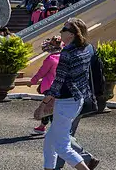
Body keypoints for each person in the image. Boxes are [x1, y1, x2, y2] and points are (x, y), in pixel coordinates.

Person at [40, 18, 96, 170]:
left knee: (62, 147)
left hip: (66, 101)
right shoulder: (88, 48)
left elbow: (59, 80)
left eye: (64, 30)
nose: (61, 32)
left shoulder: (67, 52)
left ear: (71, 35)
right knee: (50, 141)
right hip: (77, 99)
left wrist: (44, 103)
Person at [29, 36, 63, 135]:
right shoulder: (64, 57)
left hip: (49, 86)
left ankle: (50, 128)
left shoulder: (51, 59)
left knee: (48, 108)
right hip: (60, 86)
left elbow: (42, 72)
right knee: (52, 107)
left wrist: (33, 81)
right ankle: (43, 126)